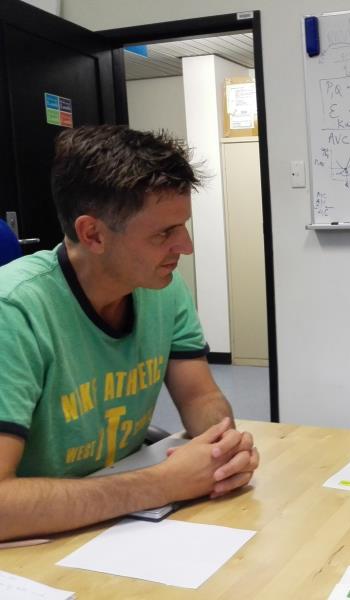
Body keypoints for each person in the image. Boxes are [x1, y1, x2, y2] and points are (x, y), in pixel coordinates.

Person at [0, 125, 259, 542]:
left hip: (116, 524)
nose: (186, 246)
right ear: (93, 234)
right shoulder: (13, 311)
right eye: (164, 233)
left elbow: (199, 396)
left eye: (183, 226)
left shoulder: (163, 288)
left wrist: (222, 449)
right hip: (36, 544)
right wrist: (160, 484)